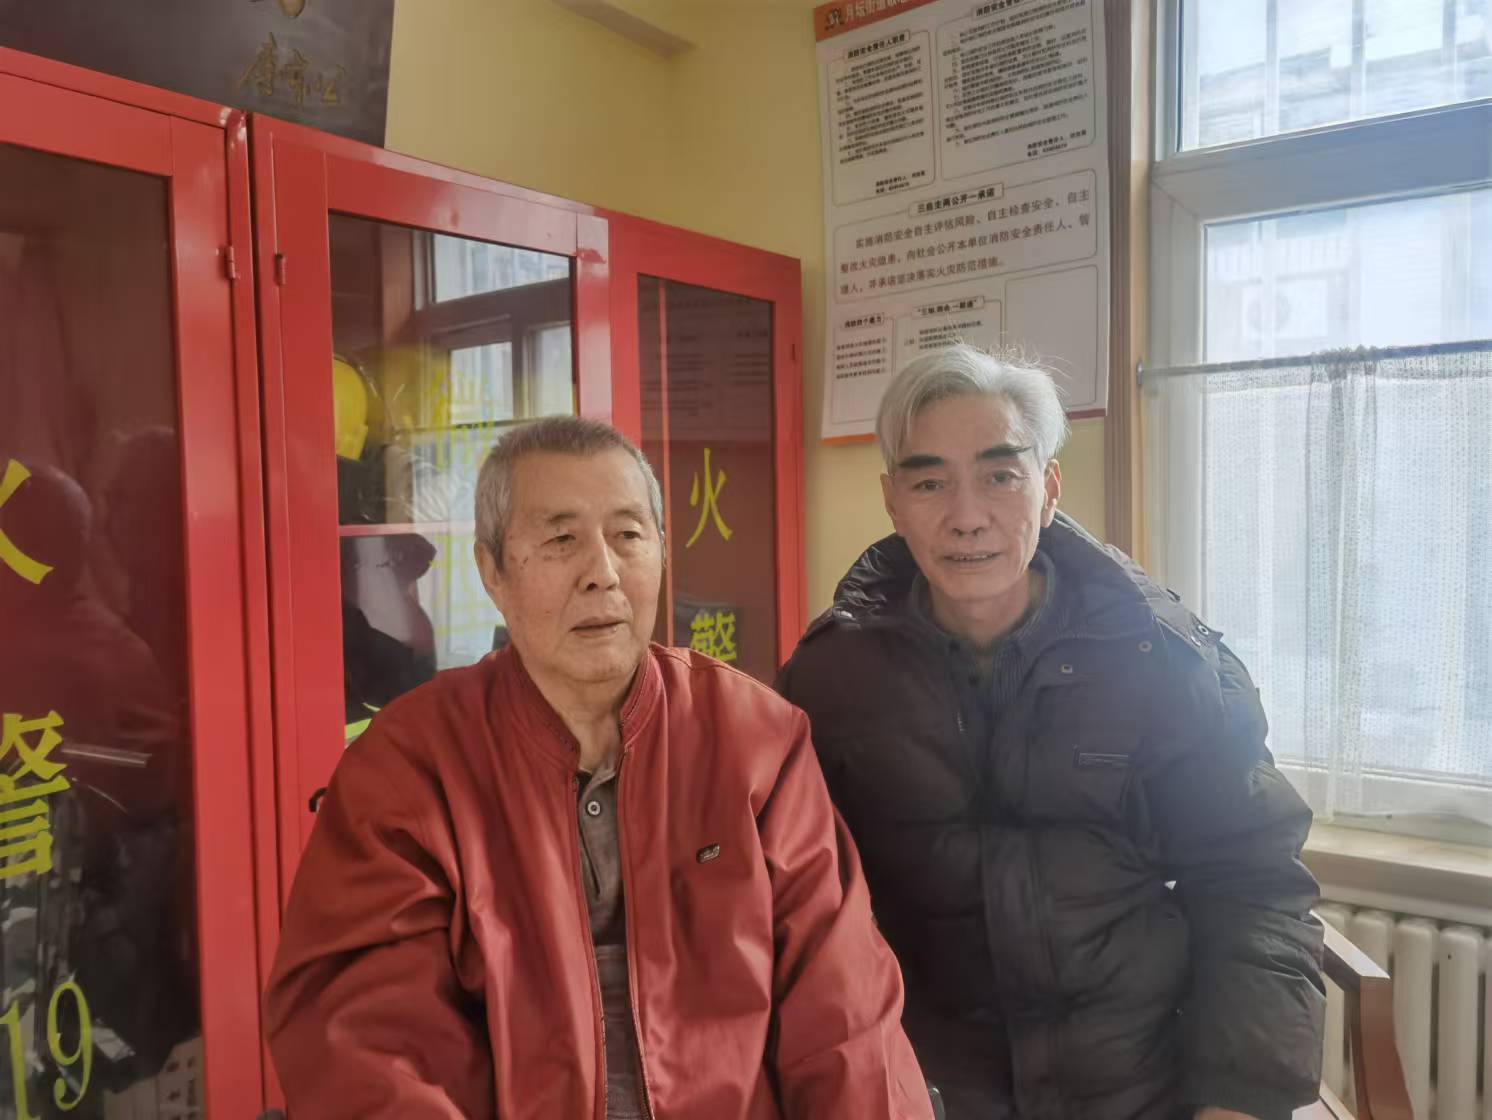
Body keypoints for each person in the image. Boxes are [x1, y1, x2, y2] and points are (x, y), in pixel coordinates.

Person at [265, 415, 933, 1120]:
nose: (603, 574)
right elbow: (369, 1046)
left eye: (628, 535)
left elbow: (844, 1013)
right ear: (492, 570)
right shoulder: (410, 764)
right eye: (561, 540)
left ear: (662, 550)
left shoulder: (755, 741)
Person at [777, 345, 1326, 1120]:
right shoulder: (831, 679)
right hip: (919, 1089)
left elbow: (1253, 879)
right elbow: (793, 906)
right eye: (930, 482)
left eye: (1001, 476)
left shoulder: (1159, 658)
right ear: (893, 501)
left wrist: (1239, 1098)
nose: (967, 516)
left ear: (1049, 489)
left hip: (1137, 1087)